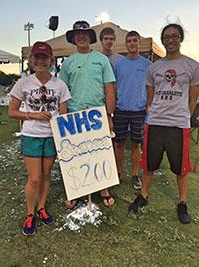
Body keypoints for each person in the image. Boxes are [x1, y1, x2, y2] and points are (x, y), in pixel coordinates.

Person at [128, 23, 199, 224]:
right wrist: (152, 111)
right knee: (149, 165)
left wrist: (185, 115)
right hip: (156, 123)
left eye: (174, 36)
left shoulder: (192, 66)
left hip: (178, 125)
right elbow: (151, 97)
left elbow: (193, 98)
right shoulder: (154, 68)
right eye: (166, 37)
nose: (170, 40)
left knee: (181, 168)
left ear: (181, 38)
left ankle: (182, 203)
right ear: (163, 40)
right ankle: (143, 196)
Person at [8, 41, 71, 236]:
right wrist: (33, 115)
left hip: (51, 136)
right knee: (34, 179)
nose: (41, 61)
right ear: (32, 60)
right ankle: (30, 213)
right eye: (38, 57)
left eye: (45, 57)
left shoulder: (59, 84)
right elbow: (11, 111)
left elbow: (63, 113)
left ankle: (41, 207)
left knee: (46, 176)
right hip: (32, 135)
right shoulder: (24, 83)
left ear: (51, 61)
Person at [60, 20, 116, 208]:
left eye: (85, 33)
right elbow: (63, 93)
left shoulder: (102, 59)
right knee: (76, 155)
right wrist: (63, 118)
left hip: (97, 115)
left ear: (91, 38)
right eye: (78, 34)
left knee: (100, 153)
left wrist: (109, 116)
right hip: (74, 116)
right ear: (74, 38)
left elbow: (109, 88)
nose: (81, 36)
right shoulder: (67, 62)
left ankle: (103, 189)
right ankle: (76, 189)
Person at [113, 31, 151, 189]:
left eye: (135, 40)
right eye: (129, 41)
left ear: (139, 42)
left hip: (139, 110)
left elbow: (151, 88)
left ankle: (135, 174)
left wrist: (149, 104)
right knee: (119, 144)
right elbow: (113, 87)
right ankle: (118, 172)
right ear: (126, 44)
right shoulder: (118, 64)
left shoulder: (147, 65)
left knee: (136, 144)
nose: (132, 44)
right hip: (121, 109)